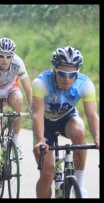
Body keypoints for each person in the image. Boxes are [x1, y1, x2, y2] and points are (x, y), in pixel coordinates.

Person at [32, 46, 99, 198]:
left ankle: (79, 186)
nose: (67, 79)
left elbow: (92, 114)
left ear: (78, 73)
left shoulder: (85, 84)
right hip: (44, 122)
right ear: (54, 70)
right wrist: (41, 140)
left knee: (79, 132)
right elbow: (37, 114)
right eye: (62, 74)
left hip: (66, 119)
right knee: (47, 174)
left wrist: (97, 136)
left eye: (72, 74)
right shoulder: (41, 82)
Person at [0, 37, 32, 195]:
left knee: (19, 101)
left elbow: (28, 88)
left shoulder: (18, 62)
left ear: (13, 56)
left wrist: (32, 107)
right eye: (1, 55)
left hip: (10, 88)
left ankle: (15, 140)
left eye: (9, 56)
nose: (5, 60)